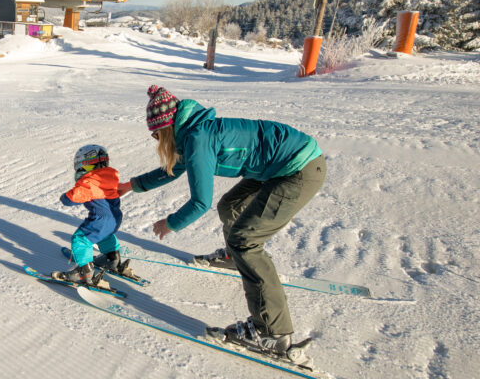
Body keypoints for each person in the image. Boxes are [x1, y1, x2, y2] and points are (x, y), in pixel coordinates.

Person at [117, 85, 325, 364]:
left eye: (156, 134)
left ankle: (271, 333)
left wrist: (171, 223)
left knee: (246, 240)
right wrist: (130, 186)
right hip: (278, 164)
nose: (156, 140)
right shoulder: (192, 131)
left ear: (166, 128)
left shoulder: (199, 139)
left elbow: (200, 202)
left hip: (299, 168)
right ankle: (232, 257)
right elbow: (174, 168)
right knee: (230, 207)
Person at [52, 145, 135, 286]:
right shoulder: (111, 178)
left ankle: (84, 272)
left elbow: (73, 198)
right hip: (115, 219)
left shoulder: (90, 181)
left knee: (81, 239)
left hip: (100, 219)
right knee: (104, 235)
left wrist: (65, 197)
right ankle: (112, 258)